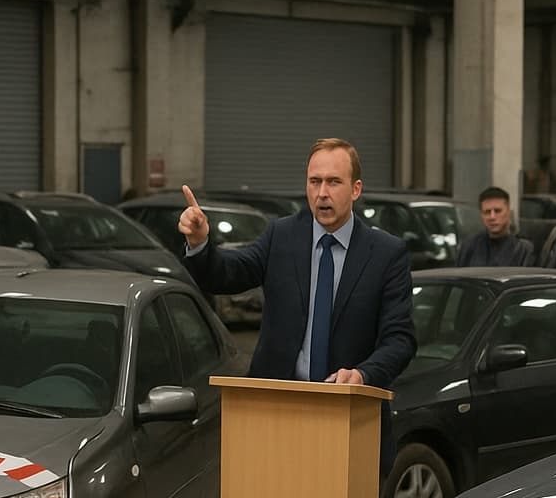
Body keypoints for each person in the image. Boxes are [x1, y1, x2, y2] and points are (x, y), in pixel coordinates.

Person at [178, 137, 415, 470]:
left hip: (348, 422)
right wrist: (200, 242)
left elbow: (400, 340)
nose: (322, 193)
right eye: (314, 181)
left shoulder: (386, 254)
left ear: (356, 189)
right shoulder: (281, 235)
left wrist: (363, 375)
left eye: (334, 182)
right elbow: (226, 275)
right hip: (276, 417)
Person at [457, 186, 535, 267]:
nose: (492, 217)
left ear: (508, 212)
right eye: (487, 212)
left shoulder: (522, 249)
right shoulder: (469, 246)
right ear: (481, 215)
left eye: (497, 211)